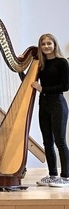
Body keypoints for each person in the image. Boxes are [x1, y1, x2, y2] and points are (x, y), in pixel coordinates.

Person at [32, 33, 69, 187]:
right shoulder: (40, 64)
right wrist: (20, 69)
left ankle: (66, 176)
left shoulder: (62, 62)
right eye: (43, 44)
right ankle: (53, 174)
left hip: (57, 103)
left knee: (60, 140)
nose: (46, 46)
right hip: (44, 103)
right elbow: (29, 82)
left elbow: (65, 86)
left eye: (49, 43)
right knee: (47, 141)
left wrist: (43, 88)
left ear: (54, 45)